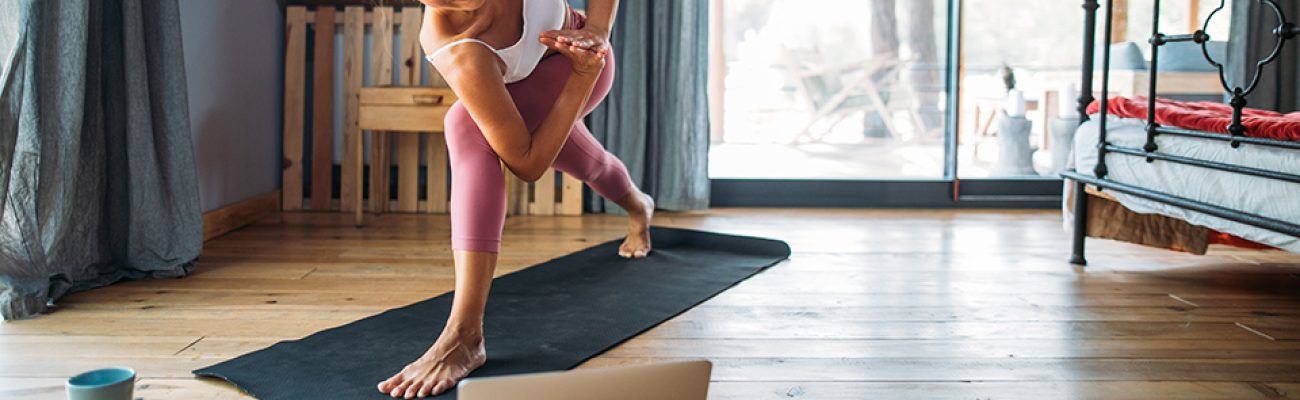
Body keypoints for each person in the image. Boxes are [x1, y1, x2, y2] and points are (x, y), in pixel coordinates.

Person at [375, 0, 654, 397]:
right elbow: (526, 162)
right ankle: (639, 206)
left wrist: (597, 32)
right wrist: (580, 76)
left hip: (576, 51)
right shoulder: (454, 46)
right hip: (554, 79)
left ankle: (464, 334)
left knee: (465, 123)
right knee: (584, 161)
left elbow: (528, 157)